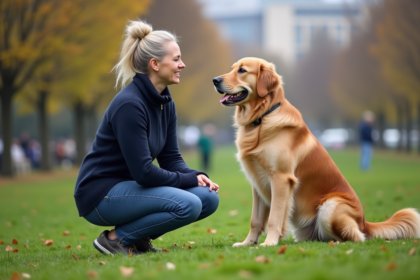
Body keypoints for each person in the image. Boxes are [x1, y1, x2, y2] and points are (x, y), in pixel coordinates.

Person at [74, 20, 219, 256]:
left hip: (132, 187)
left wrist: (197, 176)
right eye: (176, 59)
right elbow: (144, 172)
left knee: (208, 198)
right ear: (155, 64)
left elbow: (171, 158)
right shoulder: (130, 105)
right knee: (189, 204)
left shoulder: (165, 102)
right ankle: (114, 240)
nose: (182, 64)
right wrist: (187, 180)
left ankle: (138, 241)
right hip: (101, 194)